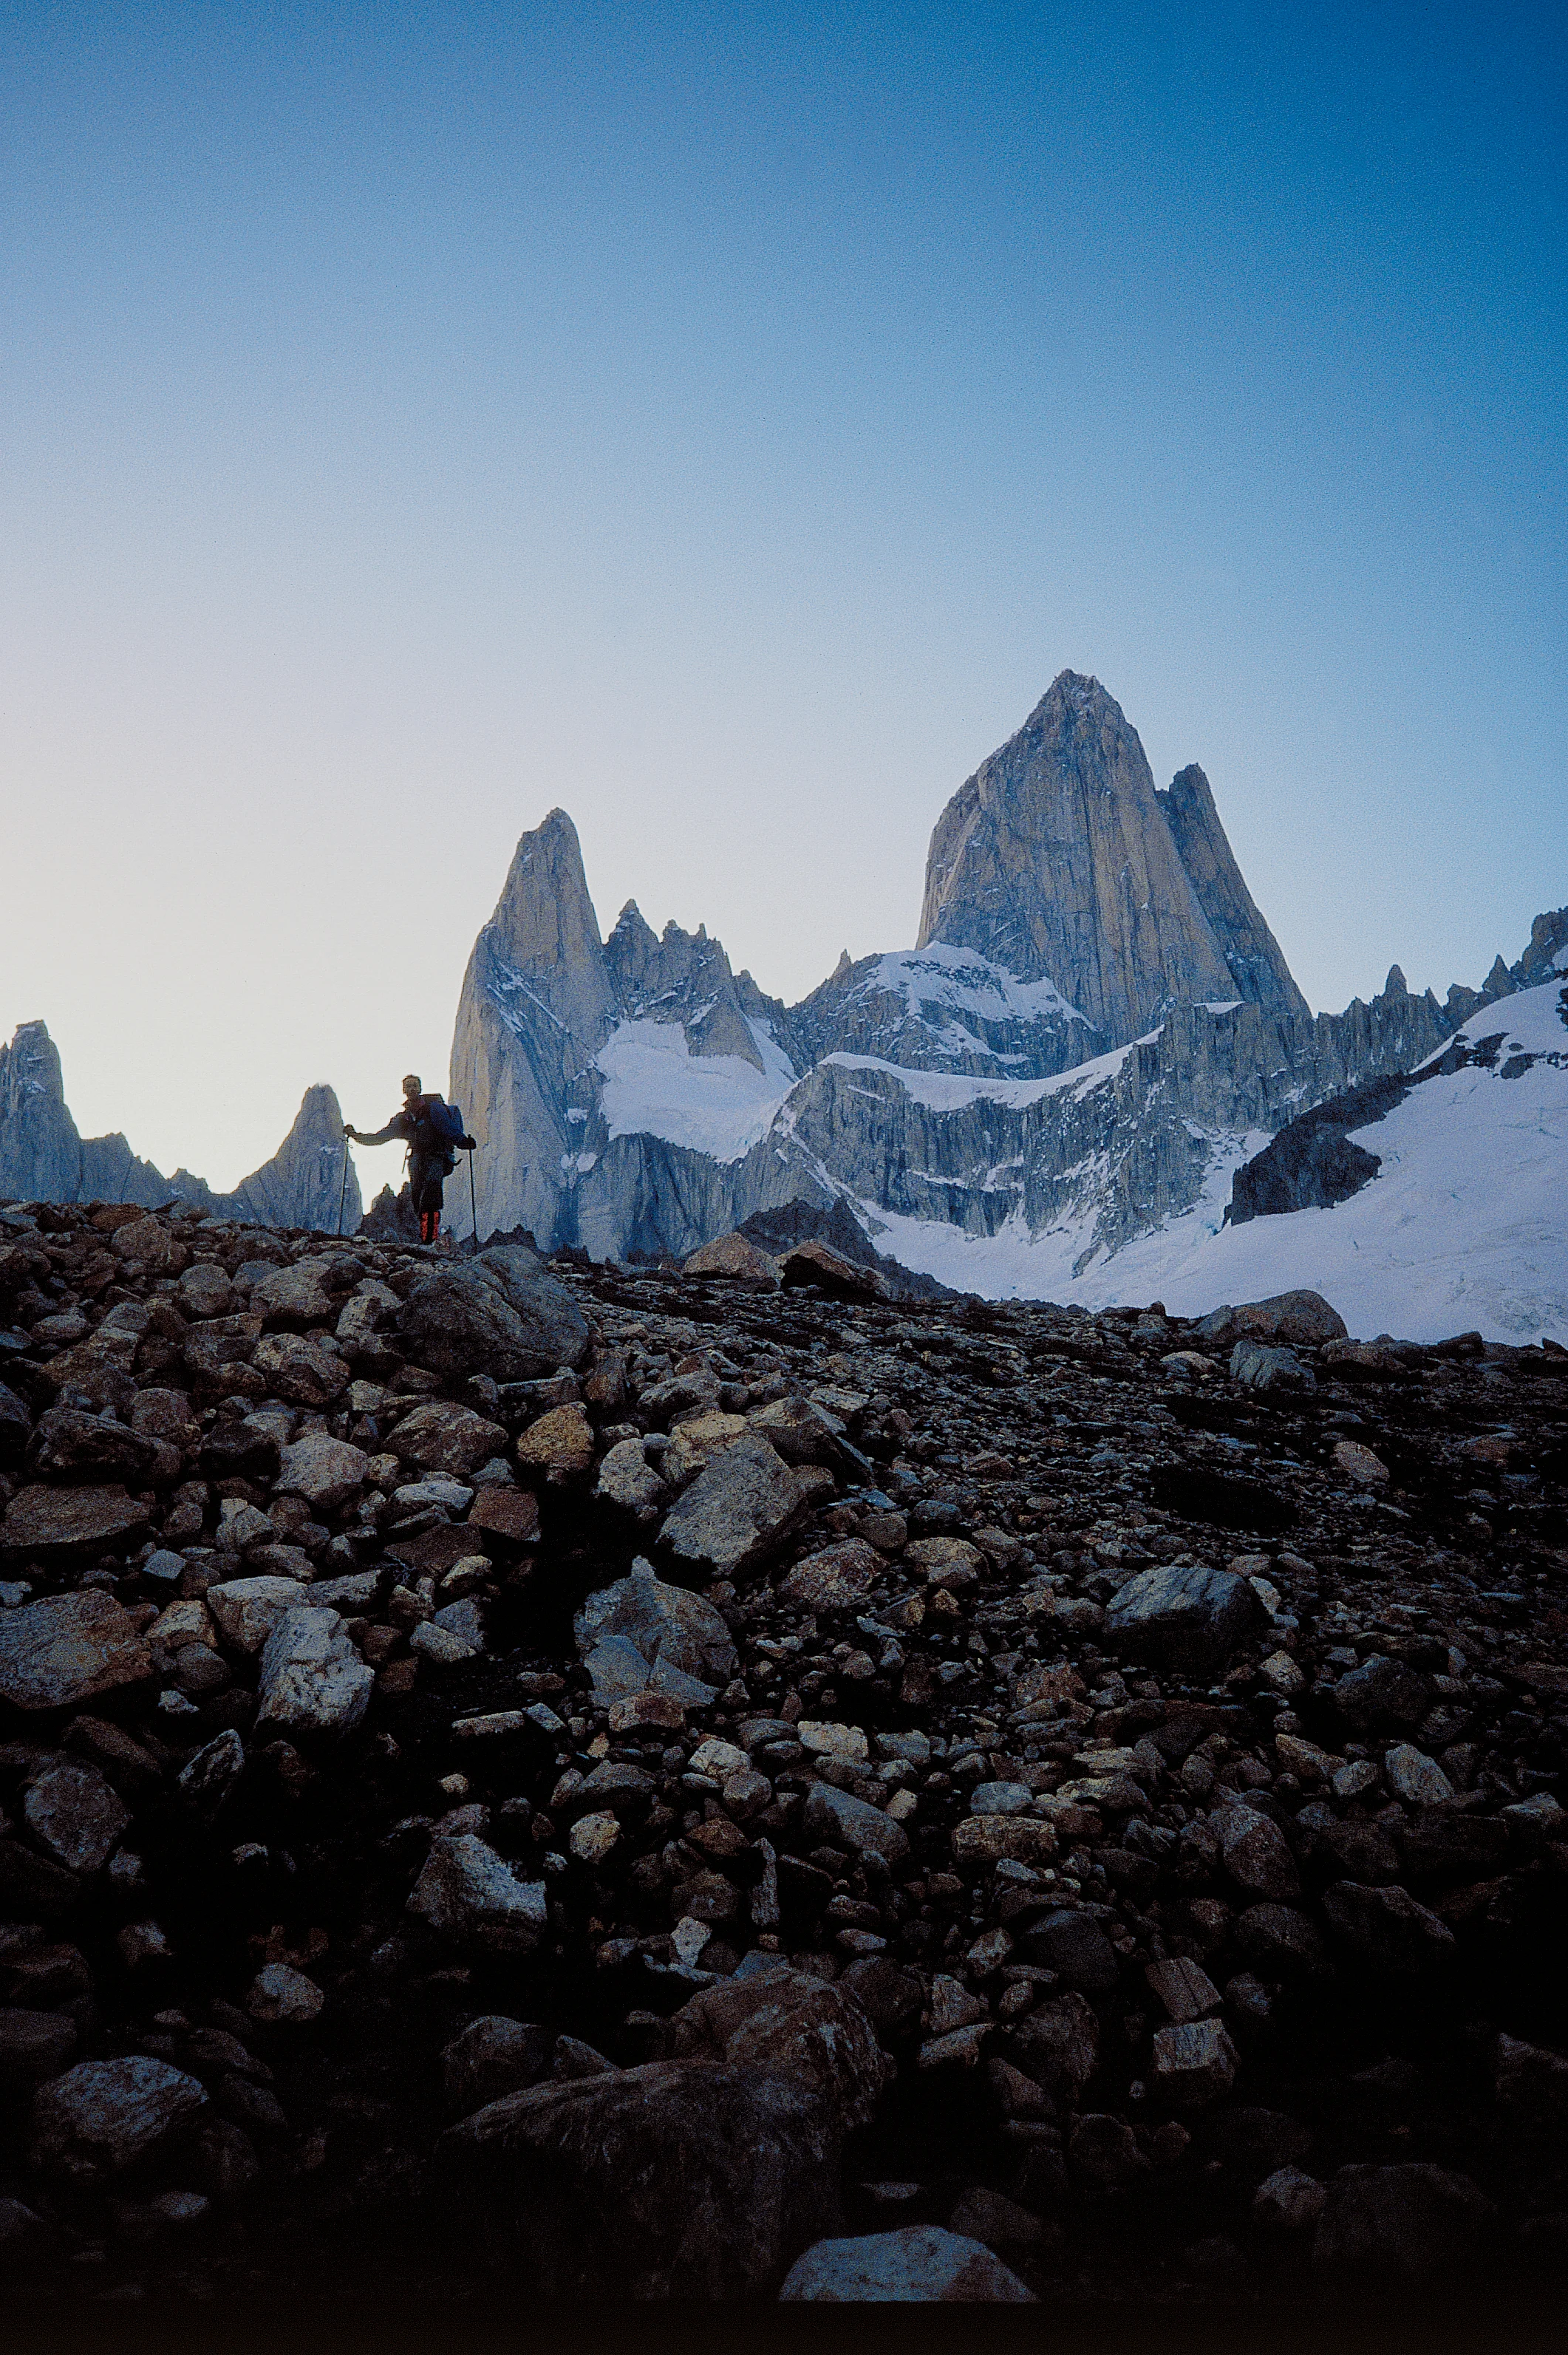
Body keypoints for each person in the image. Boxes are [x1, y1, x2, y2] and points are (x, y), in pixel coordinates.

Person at [345, 1074, 475, 1247]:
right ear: (404, 1091)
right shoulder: (404, 1118)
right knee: (417, 1200)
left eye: (415, 1086)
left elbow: (447, 1128)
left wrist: (463, 1141)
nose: (412, 1089)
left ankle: (430, 1239)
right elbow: (379, 1137)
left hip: (437, 1157)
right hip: (417, 1159)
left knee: (431, 1196)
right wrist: (355, 1136)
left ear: (420, 1089)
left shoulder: (433, 1110)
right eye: (409, 1086)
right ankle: (427, 1237)